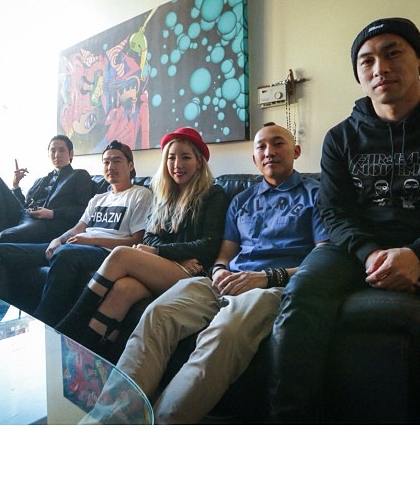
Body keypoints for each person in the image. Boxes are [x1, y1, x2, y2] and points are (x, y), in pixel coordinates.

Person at [269, 17, 420, 424]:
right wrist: (371, 253)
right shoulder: (341, 138)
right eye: (367, 61)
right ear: (359, 76)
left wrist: (419, 256)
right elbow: (333, 212)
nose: (380, 68)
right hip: (356, 249)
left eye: (393, 53)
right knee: (301, 294)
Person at [87, 123, 328, 424]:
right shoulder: (242, 200)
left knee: (223, 333)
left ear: (296, 151)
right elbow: (225, 252)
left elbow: (323, 258)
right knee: (157, 314)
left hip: (271, 287)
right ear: (254, 158)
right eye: (261, 147)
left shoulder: (316, 194)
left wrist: (268, 277)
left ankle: (163, 423)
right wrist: (219, 269)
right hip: (223, 282)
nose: (269, 152)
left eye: (278, 144)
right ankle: (109, 421)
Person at [55, 127, 229, 361]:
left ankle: (68, 328)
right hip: (170, 266)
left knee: (121, 254)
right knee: (123, 289)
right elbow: (149, 236)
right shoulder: (164, 193)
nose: (177, 164)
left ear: (199, 162)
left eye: (186, 157)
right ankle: (89, 358)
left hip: (196, 273)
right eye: (171, 158)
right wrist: (167, 252)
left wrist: (158, 251)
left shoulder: (213, 194)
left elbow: (207, 246)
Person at [0, 141, 152, 324]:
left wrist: (90, 241)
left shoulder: (140, 194)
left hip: (106, 253)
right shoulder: (98, 198)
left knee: (64, 253)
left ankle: (44, 321)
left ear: (130, 165)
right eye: (106, 162)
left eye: (117, 161)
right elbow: (78, 228)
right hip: (77, 246)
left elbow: (136, 240)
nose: (110, 167)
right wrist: (58, 239)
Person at [0, 134, 92, 245]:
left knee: (5, 237)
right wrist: (16, 186)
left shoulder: (79, 175)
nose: (57, 155)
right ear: (48, 154)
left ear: (71, 154)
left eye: (61, 150)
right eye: (53, 151)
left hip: (47, 223)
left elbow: (84, 210)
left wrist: (52, 213)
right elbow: (24, 205)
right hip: (25, 216)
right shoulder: (40, 181)